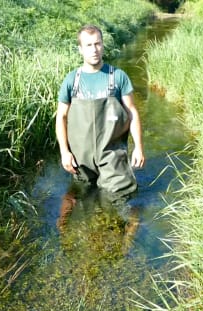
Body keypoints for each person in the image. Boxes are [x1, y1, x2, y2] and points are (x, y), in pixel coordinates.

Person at [55, 25, 145, 200]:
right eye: (88, 45)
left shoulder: (118, 77)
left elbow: (132, 112)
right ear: (80, 49)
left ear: (103, 45)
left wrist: (139, 148)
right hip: (81, 158)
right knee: (82, 198)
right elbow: (61, 117)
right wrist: (64, 152)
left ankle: (131, 225)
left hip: (112, 154)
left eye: (97, 44)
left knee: (119, 199)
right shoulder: (71, 80)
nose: (94, 50)